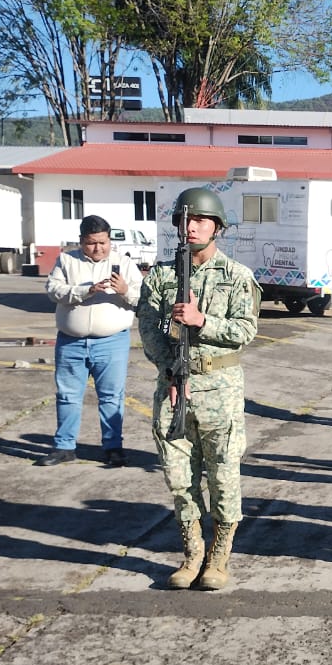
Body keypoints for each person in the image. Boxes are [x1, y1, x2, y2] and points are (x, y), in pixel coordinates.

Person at [138, 188, 260, 591]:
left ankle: (219, 558)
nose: (190, 228)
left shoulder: (237, 276)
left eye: (200, 221)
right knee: (179, 478)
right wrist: (171, 372)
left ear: (217, 228)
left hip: (219, 391)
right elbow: (150, 331)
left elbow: (245, 331)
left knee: (223, 476)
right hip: (175, 391)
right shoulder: (162, 276)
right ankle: (192, 554)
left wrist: (201, 320)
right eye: (184, 222)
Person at [38, 215, 142, 467]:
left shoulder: (124, 264)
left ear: (110, 240)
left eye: (103, 243)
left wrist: (125, 291)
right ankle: (64, 447)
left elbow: (144, 300)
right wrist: (86, 290)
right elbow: (53, 291)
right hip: (71, 341)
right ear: (81, 241)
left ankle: (113, 447)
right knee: (68, 395)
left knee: (111, 396)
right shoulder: (66, 260)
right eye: (91, 243)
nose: (98, 248)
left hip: (111, 341)